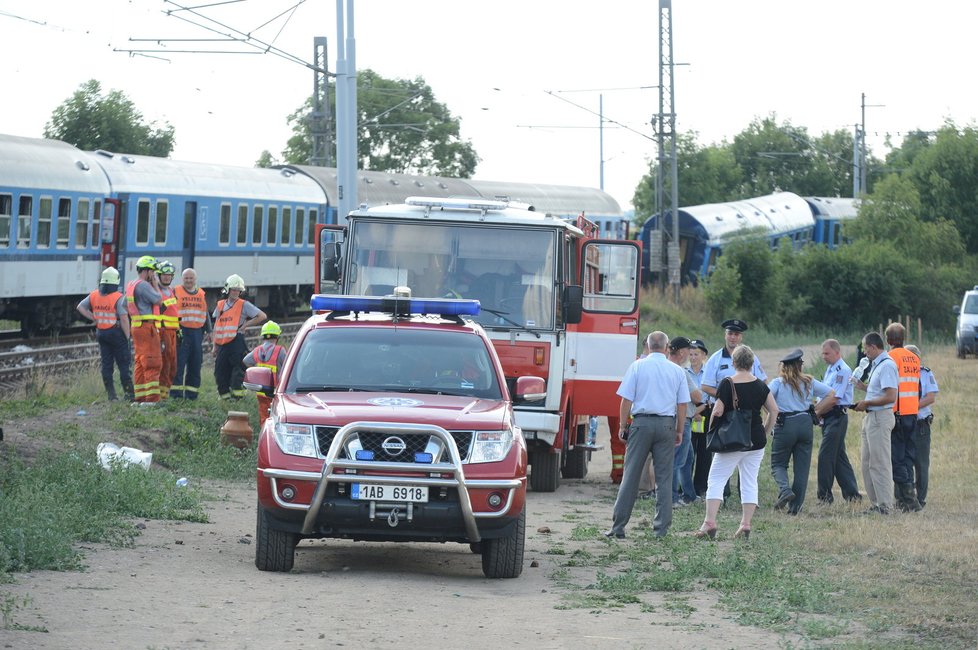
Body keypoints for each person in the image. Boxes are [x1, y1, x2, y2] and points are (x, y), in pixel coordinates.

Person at [605, 331, 689, 539]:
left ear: (649, 346)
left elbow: (625, 400)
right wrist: (679, 430)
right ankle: (661, 529)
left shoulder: (637, 366)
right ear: (667, 347)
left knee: (631, 475)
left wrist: (623, 426)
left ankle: (618, 527)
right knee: (664, 477)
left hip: (641, 424)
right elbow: (682, 404)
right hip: (666, 425)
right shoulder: (677, 370)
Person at [695, 345, 777, 541]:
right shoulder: (760, 385)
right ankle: (745, 524)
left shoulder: (727, 383)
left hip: (731, 440)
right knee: (749, 481)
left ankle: (710, 522)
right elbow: (774, 410)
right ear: (751, 364)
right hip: (755, 440)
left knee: (716, 479)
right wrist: (765, 431)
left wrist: (713, 429)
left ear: (733, 363)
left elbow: (717, 411)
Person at [768, 348, 836, 515]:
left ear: (784, 367)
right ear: (800, 366)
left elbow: (764, 396)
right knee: (802, 468)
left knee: (778, 463)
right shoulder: (809, 382)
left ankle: (785, 490)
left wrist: (771, 412)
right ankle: (795, 508)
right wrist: (815, 411)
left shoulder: (778, 383)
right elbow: (832, 394)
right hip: (805, 423)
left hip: (785, 423)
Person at [852, 331, 898, 514]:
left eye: (865, 349)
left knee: (880, 462)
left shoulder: (886, 366)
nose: (864, 353)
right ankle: (876, 503)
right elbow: (879, 391)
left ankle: (885, 505)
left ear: (873, 347)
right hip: (871, 417)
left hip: (880, 417)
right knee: (867, 462)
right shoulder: (877, 366)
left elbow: (890, 396)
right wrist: (863, 388)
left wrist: (867, 403)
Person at [76, 267, 133, 402]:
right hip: (116, 333)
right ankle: (130, 395)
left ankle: (111, 396)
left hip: (101, 333)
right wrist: (127, 337)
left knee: (106, 365)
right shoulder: (119, 298)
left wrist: (94, 317)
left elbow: (80, 307)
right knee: (124, 365)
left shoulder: (94, 295)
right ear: (116, 281)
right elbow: (124, 319)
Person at [817, 339, 862, 504]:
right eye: (822, 353)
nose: (823, 356)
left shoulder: (843, 370)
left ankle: (824, 497)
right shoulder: (830, 369)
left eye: (827, 353)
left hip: (836, 417)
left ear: (837, 352)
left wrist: (816, 413)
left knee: (825, 456)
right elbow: (824, 396)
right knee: (839, 458)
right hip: (828, 417)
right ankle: (852, 495)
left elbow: (834, 399)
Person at [884, 323, 923, 512]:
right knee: (908, 456)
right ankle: (903, 501)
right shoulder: (914, 358)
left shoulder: (890, 357)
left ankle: (910, 499)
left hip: (897, 414)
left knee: (896, 458)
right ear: (903, 339)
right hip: (912, 414)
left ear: (888, 340)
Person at [212, 274, 266, 400]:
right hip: (222, 344)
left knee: (237, 372)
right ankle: (224, 397)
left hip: (237, 342)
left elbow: (262, 316)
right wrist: (215, 346)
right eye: (234, 289)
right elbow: (216, 325)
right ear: (228, 290)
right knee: (220, 372)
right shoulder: (220, 305)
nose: (236, 292)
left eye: (238, 290)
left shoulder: (244, 304)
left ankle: (237, 399)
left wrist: (246, 324)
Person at [667, 336, 703, 507]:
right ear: (681, 352)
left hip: (671, 418)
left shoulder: (665, 368)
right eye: (689, 350)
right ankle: (673, 498)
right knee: (678, 460)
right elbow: (697, 397)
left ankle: (689, 494)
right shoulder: (681, 372)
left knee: (687, 458)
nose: (690, 353)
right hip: (683, 420)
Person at [126, 255, 164, 404]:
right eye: (152, 272)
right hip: (147, 326)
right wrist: (155, 284)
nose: (153, 275)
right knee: (152, 360)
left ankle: (140, 397)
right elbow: (159, 300)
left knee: (140, 362)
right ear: (147, 271)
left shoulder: (131, 285)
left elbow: (124, 305)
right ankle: (152, 400)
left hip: (136, 326)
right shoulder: (144, 285)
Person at [172, 268, 210, 400]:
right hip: (181, 332)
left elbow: (205, 313)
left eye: (191, 278)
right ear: (182, 279)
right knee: (178, 364)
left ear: (195, 279)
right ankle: (175, 396)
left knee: (195, 364)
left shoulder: (201, 293)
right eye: (186, 278)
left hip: (196, 333)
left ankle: (191, 396)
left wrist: (209, 331)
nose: (188, 280)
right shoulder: (175, 291)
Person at [906, 344, 937, 508]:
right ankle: (906, 496)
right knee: (903, 461)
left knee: (921, 463)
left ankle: (921, 498)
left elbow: (931, 397)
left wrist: (910, 406)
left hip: (920, 424)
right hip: (903, 422)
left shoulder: (925, 373)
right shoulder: (898, 373)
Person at [243, 321, 287, 430]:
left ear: (263, 336)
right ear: (277, 336)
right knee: (277, 416)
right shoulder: (280, 350)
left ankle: (264, 435)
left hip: (261, 391)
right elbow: (288, 365)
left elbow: (245, 360)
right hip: (276, 391)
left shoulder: (257, 350)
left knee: (264, 416)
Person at [687, 339, 711, 498]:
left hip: (705, 411)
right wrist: (693, 412)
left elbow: (710, 394)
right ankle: (685, 485)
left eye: (696, 354)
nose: (693, 357)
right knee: (688, 452)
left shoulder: (708, 372)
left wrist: (699, 410)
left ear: (703, 355)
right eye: (691, 354)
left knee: (704, 452)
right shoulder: (684, 371)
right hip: (688, 412)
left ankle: (701, 487)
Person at [155, 260, 179, 399]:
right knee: (164, 363)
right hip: (163, 331)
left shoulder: (170, 291)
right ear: (159, 275)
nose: (166, 277)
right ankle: (160, 394)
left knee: (172, 364)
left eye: (169, 275)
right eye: (164, 275)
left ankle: (165, 392)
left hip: (172, 332)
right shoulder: (156, 292)